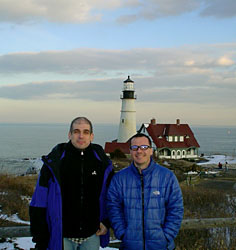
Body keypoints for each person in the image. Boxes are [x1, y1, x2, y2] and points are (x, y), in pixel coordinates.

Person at [29, 117, 114, 250]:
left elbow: (111, 196)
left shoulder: (102, 163)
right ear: (69, 134)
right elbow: (38, 201)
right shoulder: (55, 162)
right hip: (62, 236)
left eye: (86, 132)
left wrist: (106, 222)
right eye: (76, 131)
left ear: (91, 136)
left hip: (92, 236)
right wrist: (40, 237)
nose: (81, 136)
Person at [106, 133, 184, 250]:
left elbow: (176, 208)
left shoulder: (167, 177)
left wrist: (166, 236)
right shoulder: (119, 178)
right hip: (130, 246)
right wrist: (122, 233)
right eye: (135, 148)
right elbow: (113, 208)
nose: (139, 151)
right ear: (130, 151)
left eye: (144, 147)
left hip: (161, 246)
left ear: (151, 150)